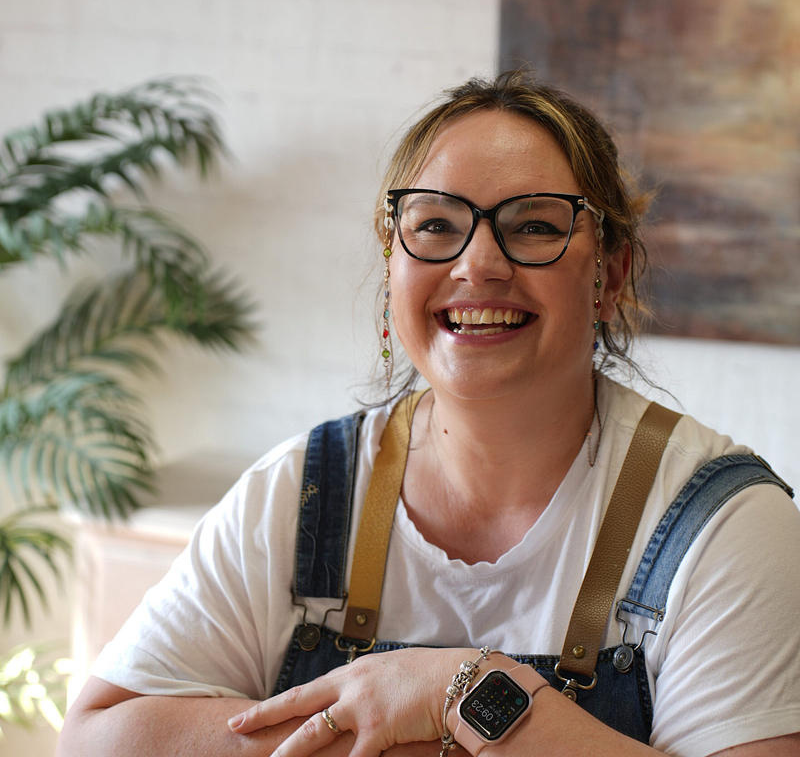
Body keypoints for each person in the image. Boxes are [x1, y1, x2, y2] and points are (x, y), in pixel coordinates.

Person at [57, 71, 800, 757]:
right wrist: (385, 725)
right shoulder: (300, 497)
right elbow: (97, 739)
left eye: (535, 225)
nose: (478, 263)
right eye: (437, 225)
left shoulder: (725, 527)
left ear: (610, 275)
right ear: (393, 270)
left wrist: (460, 694)